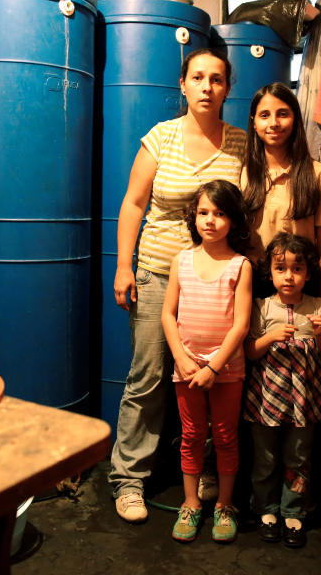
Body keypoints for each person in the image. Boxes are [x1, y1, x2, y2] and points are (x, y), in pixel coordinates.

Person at [109, 48, 246, 524]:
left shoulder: (241, 146)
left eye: (217, 79)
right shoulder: (159, 139)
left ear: (227, 88)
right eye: (198, 77)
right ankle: (129, 480)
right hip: (157, 273)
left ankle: (208, 469)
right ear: (183, 85)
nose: (207, 87)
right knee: (148, 377)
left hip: (216, 283)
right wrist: (123, 266)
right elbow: (133, 203)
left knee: (213, 377)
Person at [161, 180, 253, 543]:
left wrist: (214, 368)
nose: (210, 221)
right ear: (193, 217)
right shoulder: (181, 260)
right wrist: (183, 360)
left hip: (226, 371)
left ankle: (225, 505)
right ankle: (190, 502)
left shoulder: (240, 265)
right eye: (203, 213)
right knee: (191, 435)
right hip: (185, 369)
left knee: (227, 437)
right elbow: (168, 316)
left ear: (233, 220)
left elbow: (242, 324)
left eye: (219, 213)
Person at [243, 232, 321, 549]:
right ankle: (265, 510)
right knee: (265, 458)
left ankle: (293, 512)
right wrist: (270, 337)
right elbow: (251, 352)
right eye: (281, 268)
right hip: (266, 398)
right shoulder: (262, 306)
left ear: (308, 273)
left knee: (298, 457)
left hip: (305, 400)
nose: (289, 276)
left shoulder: (318, 307)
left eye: (297, 269)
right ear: (270, 272)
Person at [240, 82, 321, 309]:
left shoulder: (319, 176)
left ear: (295, 119)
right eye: (264, 115)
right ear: (254, 123)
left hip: (300, 287)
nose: (274, 123)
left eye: (283, 114)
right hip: (252, 287)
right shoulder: (242, 175)